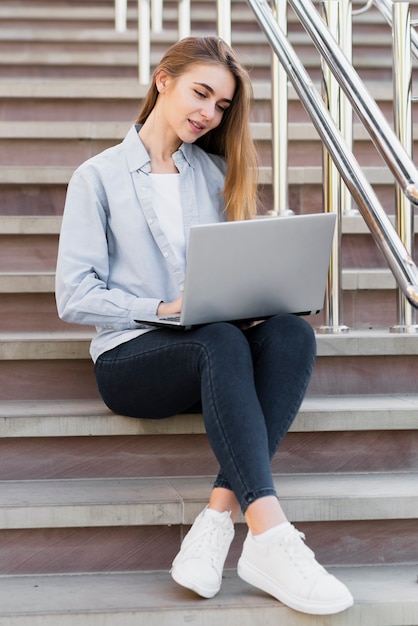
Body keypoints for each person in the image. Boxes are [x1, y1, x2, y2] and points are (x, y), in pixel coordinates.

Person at [55, 36, 353, 615]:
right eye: (201, 93)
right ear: (162, 79)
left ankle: (217, 520)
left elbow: (229, 274)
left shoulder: (214, 171)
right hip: (133, 357)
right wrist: (165, 309)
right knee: (216, 338)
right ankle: (270, 534)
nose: (208, 113)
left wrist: (262, 291)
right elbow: (75, 294)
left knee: (292, 333)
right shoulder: (96, 177)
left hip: (213, 351)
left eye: (220, 106)